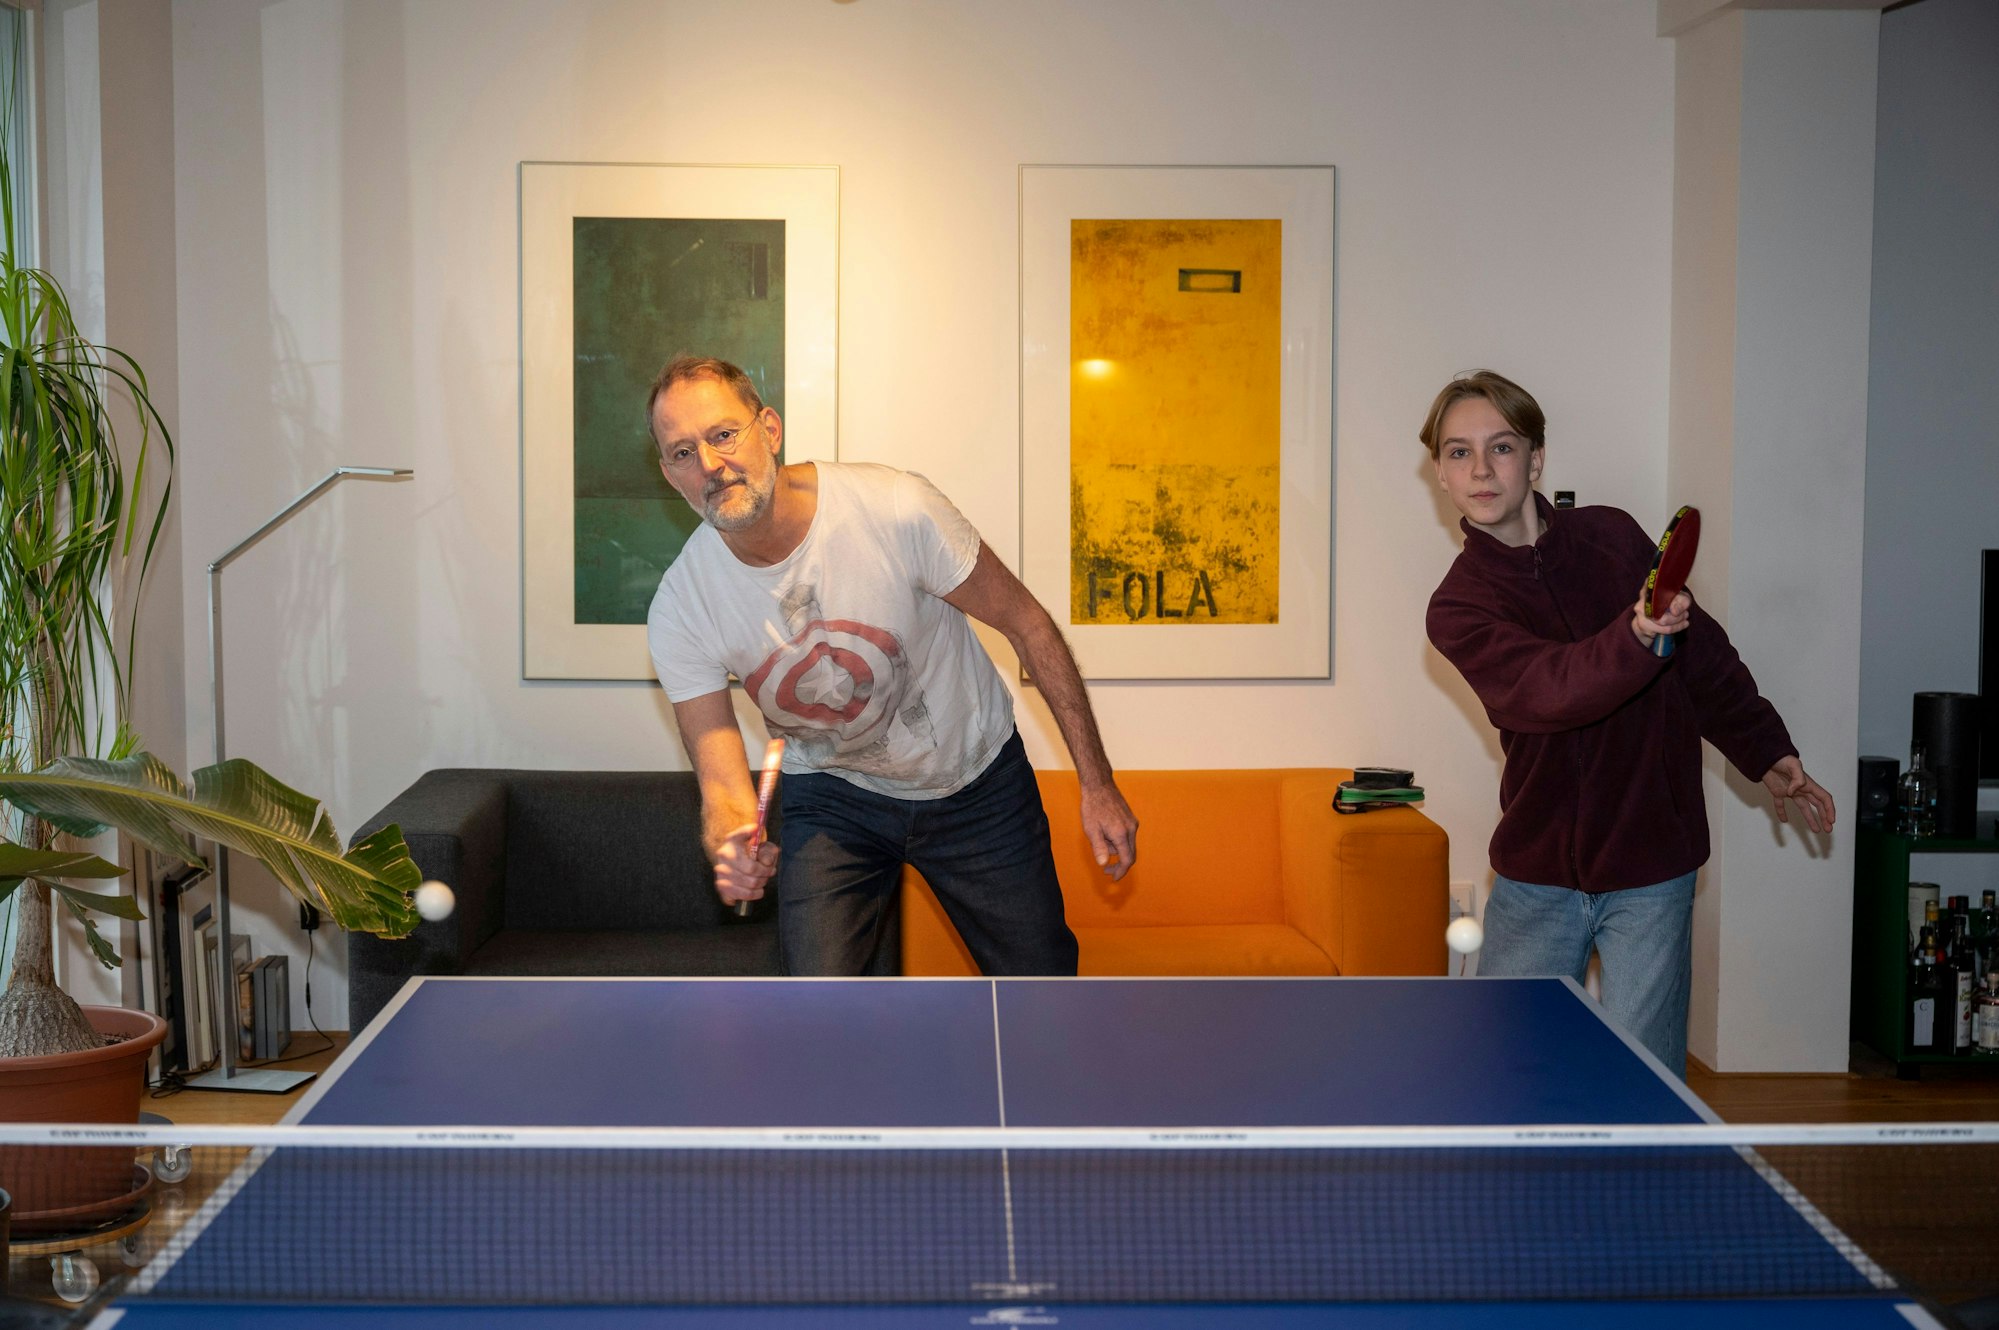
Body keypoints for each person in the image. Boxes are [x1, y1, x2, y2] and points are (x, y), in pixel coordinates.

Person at [645, 356, 1138, 975]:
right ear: (670, 474)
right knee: (820, 1013)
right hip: (833, 796)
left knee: (1039, 990)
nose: (711, 465)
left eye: (723, 434)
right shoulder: (681, 608)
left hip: (975, 781)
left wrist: (1096, 784)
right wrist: (731, 842)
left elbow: (1029, 624)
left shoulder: (896, 509)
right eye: (684, 452)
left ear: (768, 429)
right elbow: (723, 789)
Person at [1420, 369, 1834, 1076]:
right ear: (1439, 473)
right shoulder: (1457, 608)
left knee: (1640, 1084)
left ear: (1536, 457)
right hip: (1536, 878)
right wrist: (1636, 637)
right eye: (1458, 452)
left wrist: (1765, 750)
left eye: (1502, 447)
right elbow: (1549, 692)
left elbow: (1700, 658)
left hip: (1652, 866)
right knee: (1502, 1076)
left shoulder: (1611, 536)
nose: (1481, 469)